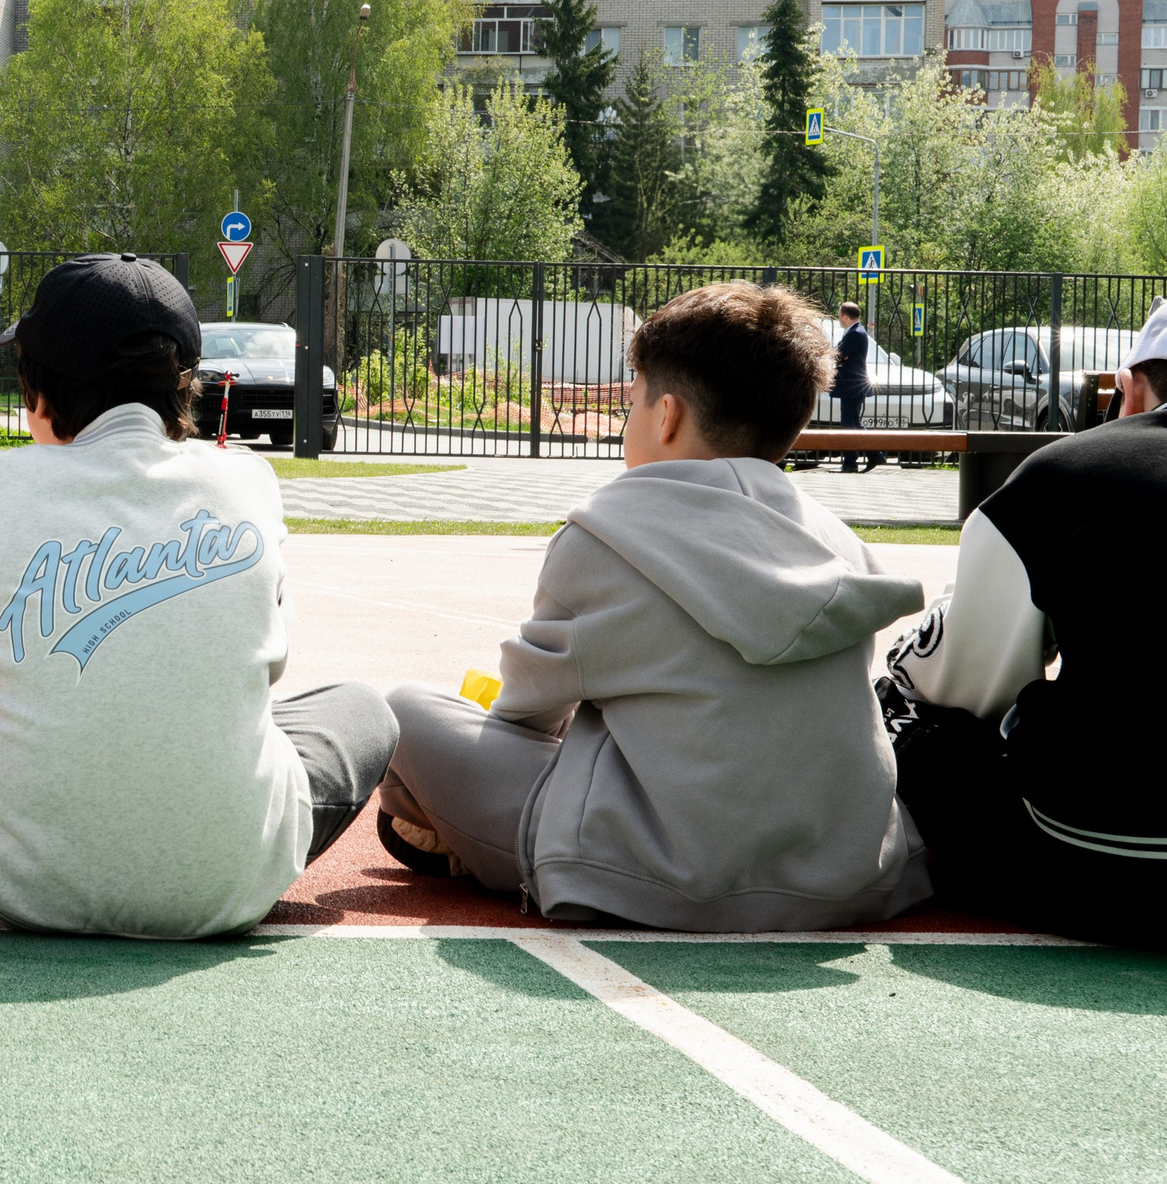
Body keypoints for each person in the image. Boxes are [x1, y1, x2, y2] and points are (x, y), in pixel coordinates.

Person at [0, 254, 399, 940]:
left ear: (37, 388)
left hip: (13, 885)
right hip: (228, 886)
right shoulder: (248, 485)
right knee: (364, 708)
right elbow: (272, 666)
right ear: (185, 388)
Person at [375, 281, 932, 930]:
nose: (627, 416)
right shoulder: (835, 542)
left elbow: (527, 715)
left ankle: (449, 832)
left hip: (653, 877)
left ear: (665, 414)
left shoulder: (608, 530)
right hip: (845, 879)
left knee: (402, 714)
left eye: (631, 400)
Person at [877, 296, 1167, 947]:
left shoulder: (1066, 475)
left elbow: (966, 683)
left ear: (1134, 385)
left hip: (1105, 866)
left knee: (917, 724)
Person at [833, 300, 873, 473]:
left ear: (846, 317)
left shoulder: (855, 333)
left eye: (840, 316)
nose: (839, 319)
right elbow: (841, 355)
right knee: (854, 422)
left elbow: (837, 355)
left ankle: (850, 463)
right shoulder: (856, 331)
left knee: (849, 424)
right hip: (853, 385)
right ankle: (875, 453)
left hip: (852, 386)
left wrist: (841, 357)